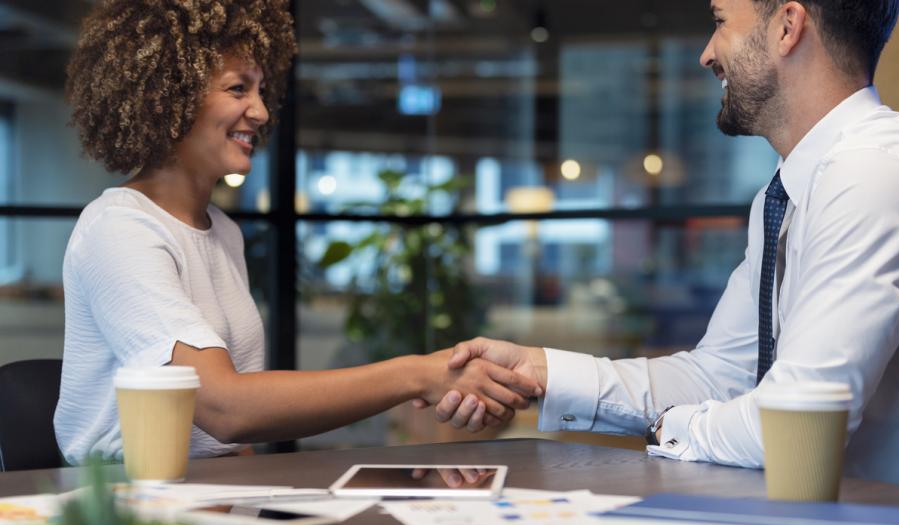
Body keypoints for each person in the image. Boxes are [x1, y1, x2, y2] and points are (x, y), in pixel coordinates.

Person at [430, 0, 899, 486]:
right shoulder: (791, 189)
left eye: (721, 21)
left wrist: (670, 427)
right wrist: (541, 371)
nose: (706, 53)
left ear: (787, 26)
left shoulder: (873, 176)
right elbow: (721, 374)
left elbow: (798, 422)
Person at [54, 0, 541, 466]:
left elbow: (224, 439)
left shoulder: (221, 231)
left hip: (209, 497)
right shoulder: (120, 229)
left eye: (261, 90)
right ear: (169, 95)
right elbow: (224, 409)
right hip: (128, 512)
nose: (262, 112)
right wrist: (417, 374)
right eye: (238, 89)